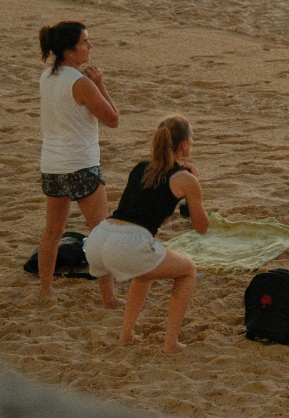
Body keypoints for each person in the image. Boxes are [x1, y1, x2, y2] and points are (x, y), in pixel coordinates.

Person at [84, 115, 206, 353]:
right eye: (192, 140)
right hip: (127, 243)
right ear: (183, 146)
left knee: (145, 271)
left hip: (99, 238)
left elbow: (161, 217)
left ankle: (127, 334)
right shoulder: (186, 179)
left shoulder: (141, 168)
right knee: (188, 270)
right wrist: (193, 186)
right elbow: (201, 226)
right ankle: (171, 344)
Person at [37, 21, 119, 301]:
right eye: (85, 42)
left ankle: (46, 289)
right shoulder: (81, 83)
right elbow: (113, 119)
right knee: (100, 233)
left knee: (52, 231)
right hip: (81, 165)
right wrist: (100, 84)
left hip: (52, 165)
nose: (90, 47)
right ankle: (108, 297)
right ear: (70, 52)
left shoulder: (46, 76)